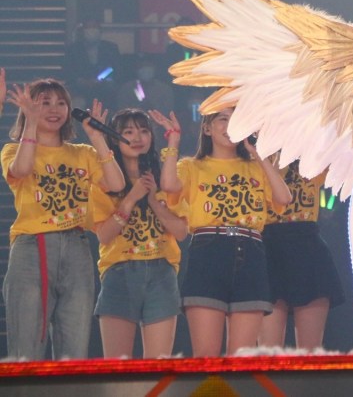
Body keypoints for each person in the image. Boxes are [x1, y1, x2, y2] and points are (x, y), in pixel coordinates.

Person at [2, 80, 126, 359]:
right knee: (26, 349)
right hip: (32, 248)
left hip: (77, 247)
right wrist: (30, 124)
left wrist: (97, 139)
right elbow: (21, 170)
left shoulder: (83, 153)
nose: (54, 109)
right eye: (44, 103)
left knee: (75, 348)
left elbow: (116, 184)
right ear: (29, 109)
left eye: (61, 103)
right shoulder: (12, 150)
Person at [160, 108, 292, 356]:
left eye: (236, 120)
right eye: (223, 119)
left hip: (250, 253)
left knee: (241, 359)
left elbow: (284, 198)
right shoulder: (192, 166)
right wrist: (174, 141)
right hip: (208, 251)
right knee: (206, 358)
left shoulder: (255, 167)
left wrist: (258, 153)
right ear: (207, 128)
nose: (230, 125)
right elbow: (168, 185)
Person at [91, 109, 187, 358]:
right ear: (115, 139)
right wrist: (130, 199)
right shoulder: (104, 182)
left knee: (158, 366)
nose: (137, 137)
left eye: (144, 131)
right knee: (117, 367)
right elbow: (103, 236)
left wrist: (154, 201)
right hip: (119, 271)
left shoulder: (165, 179)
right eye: (128, 131)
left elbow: (181, 232)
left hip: (162, 272)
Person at [258, 161, 345, 350]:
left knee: (310, 353)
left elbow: (342, 158)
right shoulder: (255, 155)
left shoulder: (311, 154)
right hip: (267, 250)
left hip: (307, 249)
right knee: (268, 354)